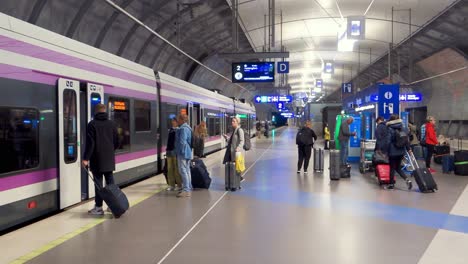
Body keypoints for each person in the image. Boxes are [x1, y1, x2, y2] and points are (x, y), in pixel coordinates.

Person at [82, 104, 119, 215]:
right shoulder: (112, 124)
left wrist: (86, 158)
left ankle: (98, 208)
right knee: (110, 183)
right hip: (109, 159)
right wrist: (110, 151)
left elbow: (91, 143)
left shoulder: (92, 124)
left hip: (97, 159)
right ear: (105, 111)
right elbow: (117, 142)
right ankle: (113, 206)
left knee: (98, 184)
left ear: (96, 112)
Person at [385, 114, 413, 190]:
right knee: (398, 167)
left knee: (392, 168)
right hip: (401, 151)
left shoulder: (390, 129)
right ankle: (407, 179)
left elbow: (388, 141)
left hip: (392, 151)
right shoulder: (403, 128)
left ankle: (391, 184)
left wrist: (385, 151)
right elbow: (406, 140)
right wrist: (409, 149)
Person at [175, 114, 193, 198]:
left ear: (182, 120)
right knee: (187, 170)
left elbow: (182, 142)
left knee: (182, 170)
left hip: (183, 153)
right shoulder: (188, 128)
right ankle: (189, 187)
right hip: (188, 151)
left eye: (178, 119)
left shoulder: (182, 129)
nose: (177, 121)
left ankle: (186, 190)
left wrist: (180, 152)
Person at [166, 118, 182, 191]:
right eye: (172, 122)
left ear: (177, 122)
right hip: (169, 151)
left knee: (176, 169)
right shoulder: (170, 130)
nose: (173, 123)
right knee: (169, 169)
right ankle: (171, 185)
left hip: (175, 152)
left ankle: (179, 185)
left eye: (174, 122)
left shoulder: (179, 130)